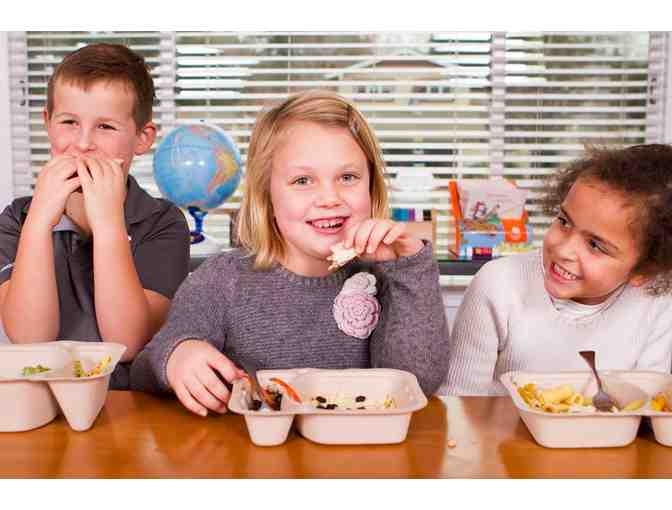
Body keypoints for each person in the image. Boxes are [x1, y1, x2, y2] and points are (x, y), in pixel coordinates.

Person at [130, 90, 449, 416]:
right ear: (267, 197)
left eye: (348, 177)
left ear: (371, 187)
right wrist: (178, 354)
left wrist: (411, 268)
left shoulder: (391, 277)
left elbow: (419, 382)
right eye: (303, 180)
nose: (330, 198)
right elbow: (144, 369)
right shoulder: (222, 280)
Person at [0, 43, 190, 389]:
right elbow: (30, 338)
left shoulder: (163, 223)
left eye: (105, 127)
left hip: (131, 405)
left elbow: (127, 341)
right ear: (47, 123)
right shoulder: (17, 220)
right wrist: (38, 223)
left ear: (142, 138)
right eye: (69, 122)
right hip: (44, 402)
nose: (84, 143)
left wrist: (108, 224)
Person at [442, 144, 672, 396]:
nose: (563, 250)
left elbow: (647, 402)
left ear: (643, 271)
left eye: (595, 245)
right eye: (564, 221)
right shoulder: (498, 284)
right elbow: (459, 401)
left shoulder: (657, 305)